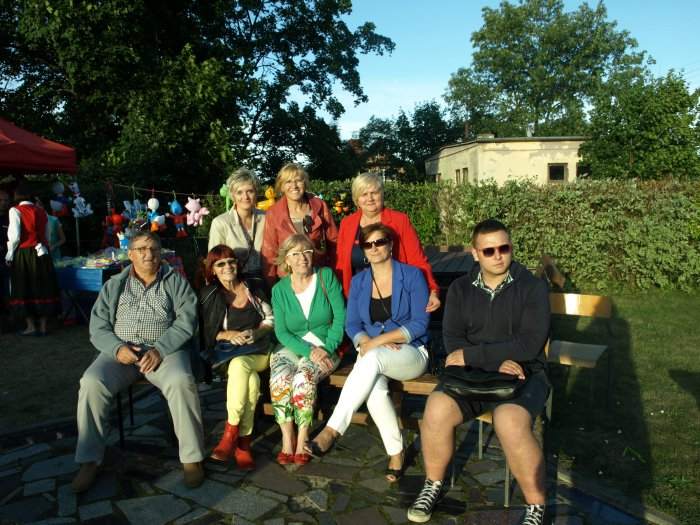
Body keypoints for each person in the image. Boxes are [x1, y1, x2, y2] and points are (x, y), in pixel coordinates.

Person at [407, 219, 550, 524]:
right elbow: (453, 340)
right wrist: (492, 361)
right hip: (473, 374)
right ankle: (433, 485)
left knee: (509, 421)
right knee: (436, 409)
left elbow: (529, 344)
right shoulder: (460, 288)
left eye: (504, 248)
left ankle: (536, 506)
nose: (498, 255)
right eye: (489, 250)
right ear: (475, 253)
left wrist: (475, 355)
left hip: (523, 373)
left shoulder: (532, 287)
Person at [71, 231, 206, 493]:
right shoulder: (114, 285)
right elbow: (97, 327)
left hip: (164, 352)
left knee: (180, 381)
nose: (148, 254)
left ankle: (192, 458)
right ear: (130, 254)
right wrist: (117, 348)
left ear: (161, 253)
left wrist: (160, 349)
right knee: (91, 382)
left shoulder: (175, 283)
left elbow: (187, 321)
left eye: (153, 248)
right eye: (141, 249)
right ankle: (89, 460)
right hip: (121, 353)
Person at [307, 223, 430, 482]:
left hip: (411, 352)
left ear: (390, 244)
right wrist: (365, 341)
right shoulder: (360, 281)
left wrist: (378, 341)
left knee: (370, 359)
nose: (374, 248)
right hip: (374, 356)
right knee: (374, 388)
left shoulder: (412, 275)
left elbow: (420, 323)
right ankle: (396, 453)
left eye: (380, 242)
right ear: (363, 250)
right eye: (368, 244)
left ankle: (332, 429)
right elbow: (352, 324)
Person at [269, 234, 345, 465]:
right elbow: (282, 331)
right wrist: (308, 350)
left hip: (325, 347)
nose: (302, 258)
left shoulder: (325, 277)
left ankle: (302, 436)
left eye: (307, 252)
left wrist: (327, 347)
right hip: (290, 347)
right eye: (296, 254)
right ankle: (287, 437)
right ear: (286, 260)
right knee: (280, 379)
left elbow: (340, 317)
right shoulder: (279, 290)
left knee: (303, 377)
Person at [199, 245, 274, 470]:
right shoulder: (209, 294)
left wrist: (256, 332)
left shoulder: (253, 285)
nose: (227, 267)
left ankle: (229, 433)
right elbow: (205, 332)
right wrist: (229, 335)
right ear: (213, 269)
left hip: (259, 349)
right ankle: (243, 444)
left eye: (231, 261)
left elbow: (271, 319)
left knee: (241, 367)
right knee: (250, 382)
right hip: (229, 354)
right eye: (220, 264)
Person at [335, 172, 441, 312]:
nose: (370, 198)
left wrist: (432, 290)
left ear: (382, 194)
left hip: (395, 295)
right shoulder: (347, 224)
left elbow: (417, 259)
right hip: (358, 297)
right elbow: (341, 264)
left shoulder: (399, 221)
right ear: (356, 199)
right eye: (364, 194)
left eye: (374, 193)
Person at [261, 163, 338, 287]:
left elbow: (334, 242)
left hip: (318, 277)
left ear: (305, 183)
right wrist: (272, 286)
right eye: (288, 182)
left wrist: (335, 273)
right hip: (288, 280)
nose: (294, 186)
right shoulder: (273, 213)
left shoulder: (319, 206)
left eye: (298, 180)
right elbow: (269, 253)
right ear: (281, 187)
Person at [5, 184, 60, 335]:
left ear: (17, 195)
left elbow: (15, 236)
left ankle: (31, 326)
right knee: (43, 287)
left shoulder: (15, 210)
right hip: (42, 254)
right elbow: (47, 235)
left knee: (24, 287)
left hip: (24, 254)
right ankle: (43, 326)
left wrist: (9, 254)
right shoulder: (42, 211)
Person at [208, 168, 266, 280]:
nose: (245, 197)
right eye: (239, 192)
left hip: (265, 281)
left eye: (250, 191)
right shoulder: (220, 223)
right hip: (235, 282)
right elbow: (215, 260)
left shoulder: (266, 218)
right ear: (232, 196)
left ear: (256, 193)